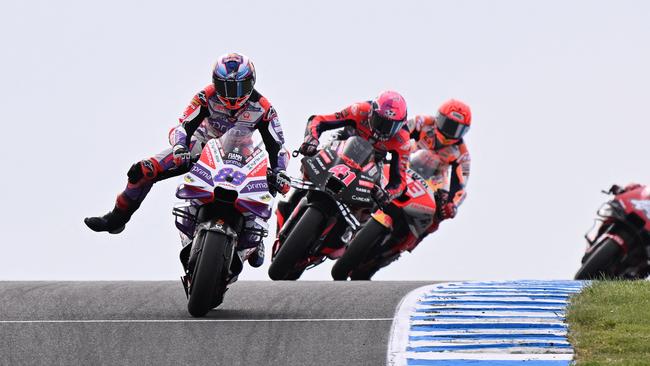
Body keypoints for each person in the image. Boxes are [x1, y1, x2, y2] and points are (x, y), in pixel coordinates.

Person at [84, 52, 290, 267]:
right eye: (225, 87)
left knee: (272, 180)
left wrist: (280, 171)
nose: (231, 95)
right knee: (142, 170)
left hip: (242, 153)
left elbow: (278, 146)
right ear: (214, 82)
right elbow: (182, 126)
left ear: (252, 82)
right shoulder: (205, 96)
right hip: (202, 146)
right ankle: (116, 219)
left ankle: (256, 236)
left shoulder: (264, 107)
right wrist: (181, 147)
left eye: (239, 87)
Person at [274, 91, 411, 243]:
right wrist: (311, 139)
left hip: (370, 164)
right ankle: (292, 200)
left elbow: (400, 181)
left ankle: (348, 234)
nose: (384, 129)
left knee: (373, 199)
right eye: (381, 121)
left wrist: (387, 194)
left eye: (391, 126)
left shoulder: (402, 141)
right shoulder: (359, 110)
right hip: (340, 147)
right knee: (311, 164)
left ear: (402, 124)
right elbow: (319, 120)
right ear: (372, 112)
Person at [406, 99, 472, 221]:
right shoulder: (421, 122)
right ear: (438, 117)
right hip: (406, 165)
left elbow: (460, 187)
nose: (449, 132)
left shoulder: (463, 155)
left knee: (438, 215)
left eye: (456, 129)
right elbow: (399, 133)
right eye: (447, 124)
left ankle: (415, 235)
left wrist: (452, 205)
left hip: (433, 183)